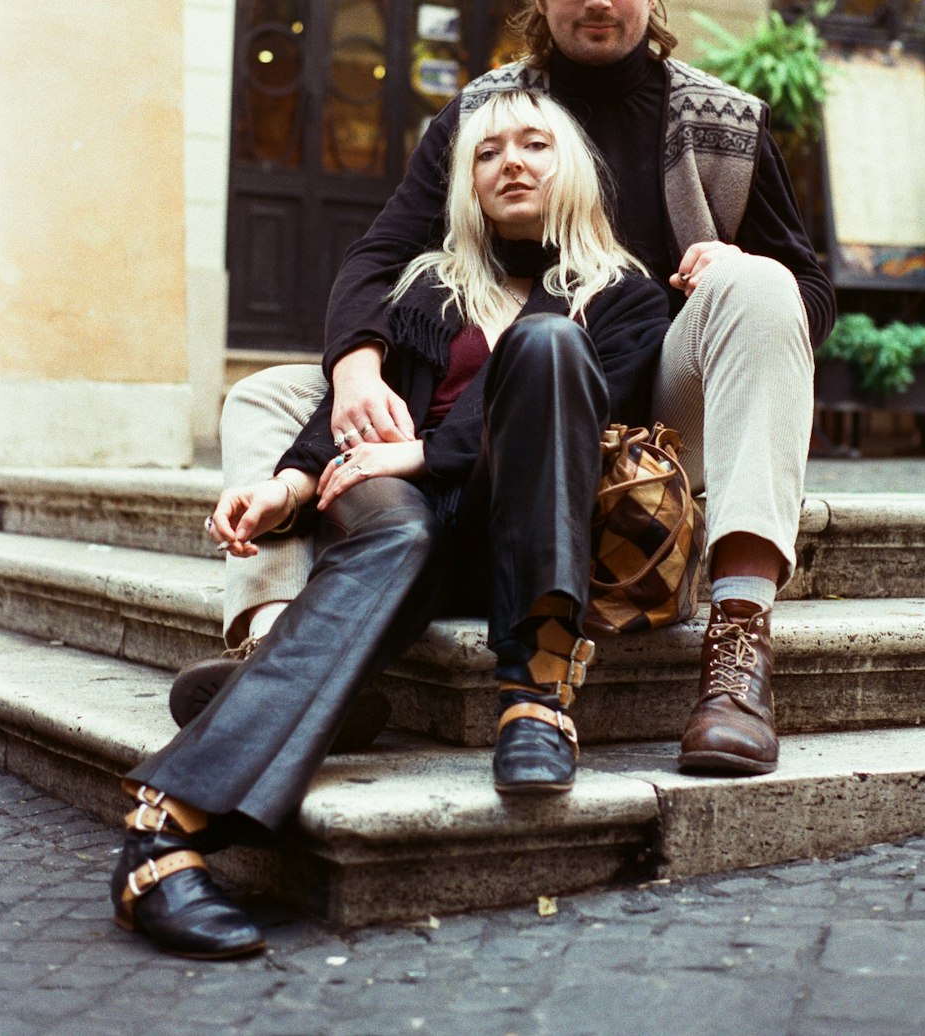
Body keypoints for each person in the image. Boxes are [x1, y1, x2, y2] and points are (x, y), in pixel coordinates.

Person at [181, 0, 834, 776]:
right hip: (490, 386)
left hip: (650, 408)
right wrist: (358, 368)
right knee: (266, 395)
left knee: (761, 287)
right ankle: (271, 655)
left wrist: (726, 265)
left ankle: (737, 649)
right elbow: (382, 255)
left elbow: (810, 292)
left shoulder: (725, 122)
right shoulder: (484, 115)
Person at [112, 90, 667, 957]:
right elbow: (352, 418)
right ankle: (162, 831)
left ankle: (533, 701)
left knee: (548, 347)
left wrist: (421, 455)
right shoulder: (427, 288)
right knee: (397, 530)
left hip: (519, 528)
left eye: (533, 145)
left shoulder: (623, 296)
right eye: (486, 153)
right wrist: (287, 489)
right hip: (400, 517)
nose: (510, 163)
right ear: (466, 183)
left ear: (574, 170)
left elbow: (570, 432)